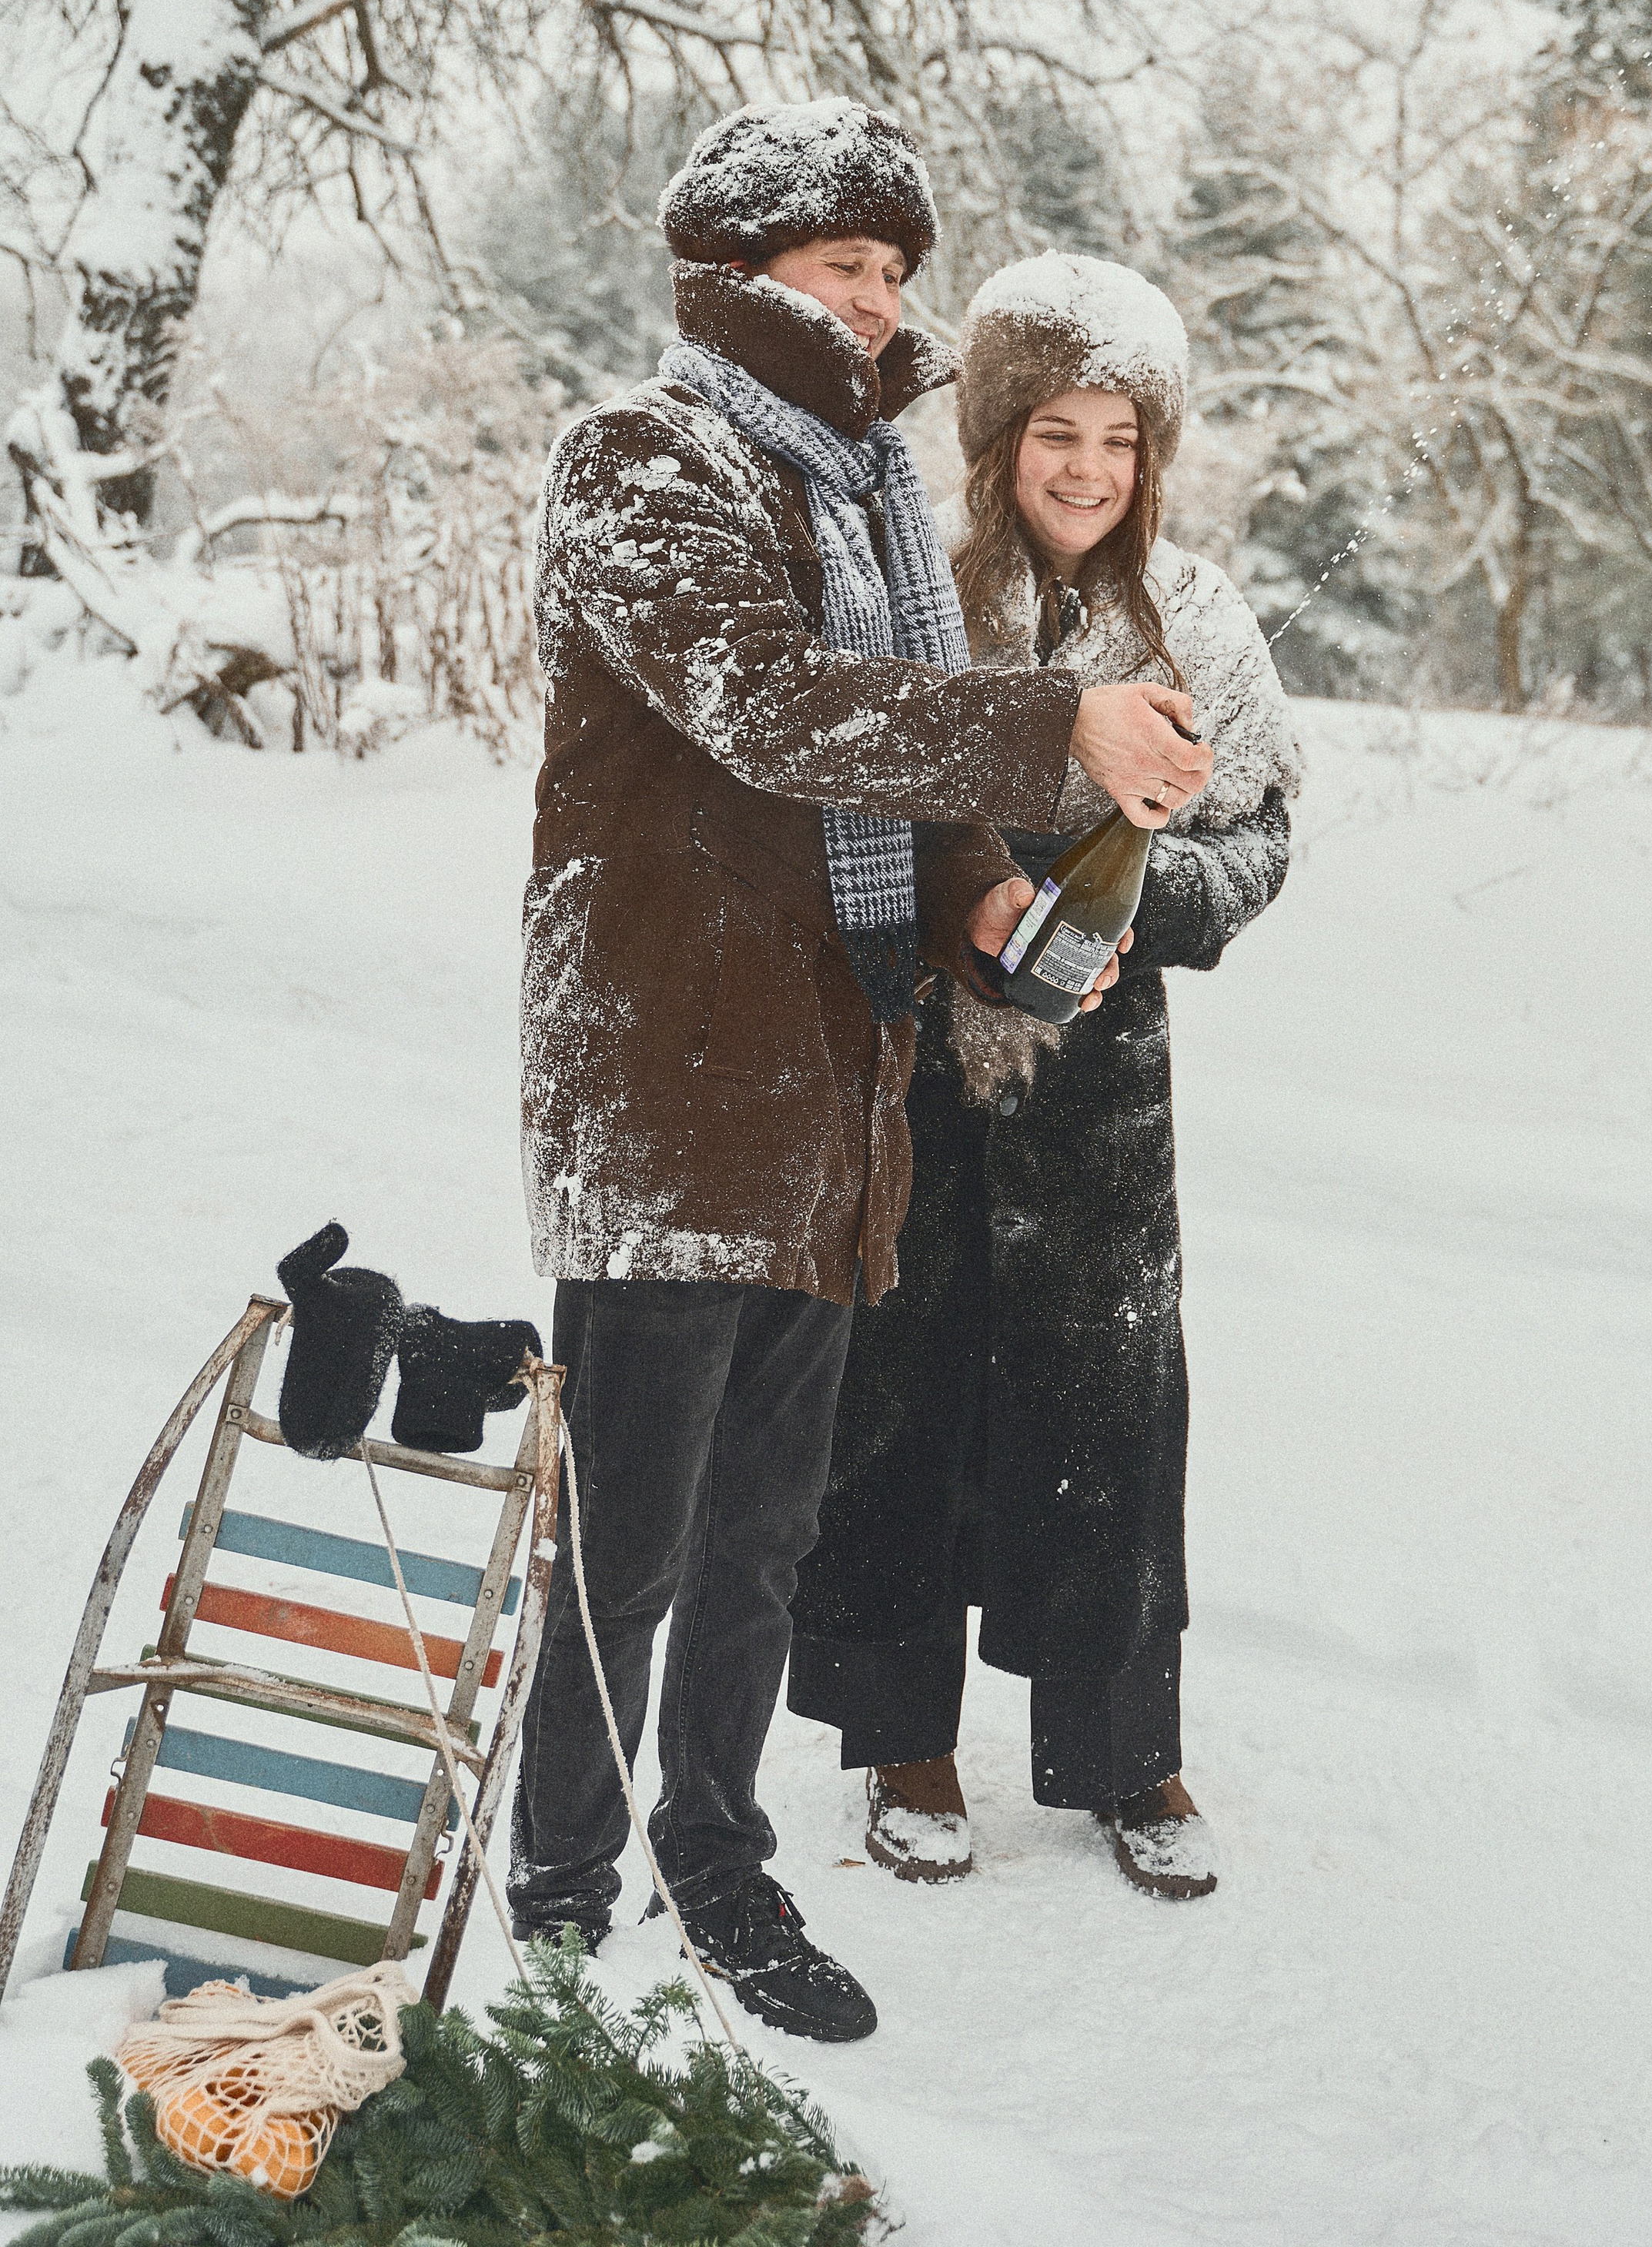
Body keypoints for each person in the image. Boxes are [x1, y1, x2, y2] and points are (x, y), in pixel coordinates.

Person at [508, 111, 1215, 2041]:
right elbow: (771, 705)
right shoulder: (644, 459)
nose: (881, 301)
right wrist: (1044, 715)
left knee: (759, 1536)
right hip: (669, 1081)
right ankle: (563, 1904)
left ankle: (717, 1865)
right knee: (627, 1544)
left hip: (836, 1090)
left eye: (898, 272)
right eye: (847, 268)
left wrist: (987, 908)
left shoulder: (873, 494)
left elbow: (885, 802)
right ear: (738, 280)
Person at [790, 252, 1299, 1901]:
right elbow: (850, 808)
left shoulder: (1196, 622)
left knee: (1107, 1408)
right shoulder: (921, 596)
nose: (1087, 468)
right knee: (899, 1401)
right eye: (1053, 433)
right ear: (996, 438)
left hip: (1100, 1088)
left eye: (1120, 438)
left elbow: (1265, 832)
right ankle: (897, 1730)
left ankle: (1119, 1748)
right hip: (921, 1070)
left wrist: (1156, 902)